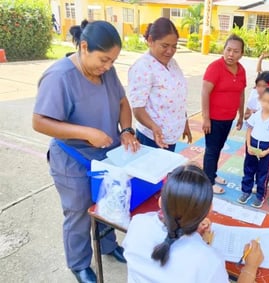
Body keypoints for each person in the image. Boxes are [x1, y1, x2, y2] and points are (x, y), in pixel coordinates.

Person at [32, 20, 137, 283]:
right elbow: (39, 121)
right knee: (78, 212)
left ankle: (108, 246)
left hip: (106, 155)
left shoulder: (106, 72)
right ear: (84, 47)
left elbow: (123, 103)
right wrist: (86, 133)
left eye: (112, 61)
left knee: (107, 204)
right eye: (104, 59)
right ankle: (79, 263)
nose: (108, 67)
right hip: (72, 159)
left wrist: (126, 130)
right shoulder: (59, 77)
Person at [123, 164, 264, 283]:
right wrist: (250, 268)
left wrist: (194, 236)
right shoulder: (208, 260)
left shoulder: (138, 224)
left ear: (160, 202)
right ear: (210, 209)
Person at [128, 17, 192, 152]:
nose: (170, 51)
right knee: (152, 172)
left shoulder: (172, 63)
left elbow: (178, 97)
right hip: (152, 137)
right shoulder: (142, 67)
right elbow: (138, 109)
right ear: (151, 41)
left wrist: (184, 123)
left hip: (170, 135)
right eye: (165, 46)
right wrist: (154, 127)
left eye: (174, 46)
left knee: (167, 171)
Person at [202, 34, 247, 194]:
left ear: (241, 54)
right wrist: (206, 118)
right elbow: (205, 92)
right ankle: (207, 181)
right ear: (223, 50)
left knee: (219, 147)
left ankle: (212, 175)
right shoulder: (215, 67)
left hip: (229, 118)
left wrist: (241, 115)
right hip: (213, 119)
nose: (231, 54)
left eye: (236, 51)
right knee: (212, 149)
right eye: (228, 50)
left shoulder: (241, 70)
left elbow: (241, 94)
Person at [237, 82, 269, 208]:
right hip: (252, 145)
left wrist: (268, 151)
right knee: (248, 169)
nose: (266, 104)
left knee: (263, 173)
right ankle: (246, 191)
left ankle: (260, 196)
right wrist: (248, 145)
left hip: (266, 148)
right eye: (263, 101)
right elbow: (249, 130)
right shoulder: (257, 114)